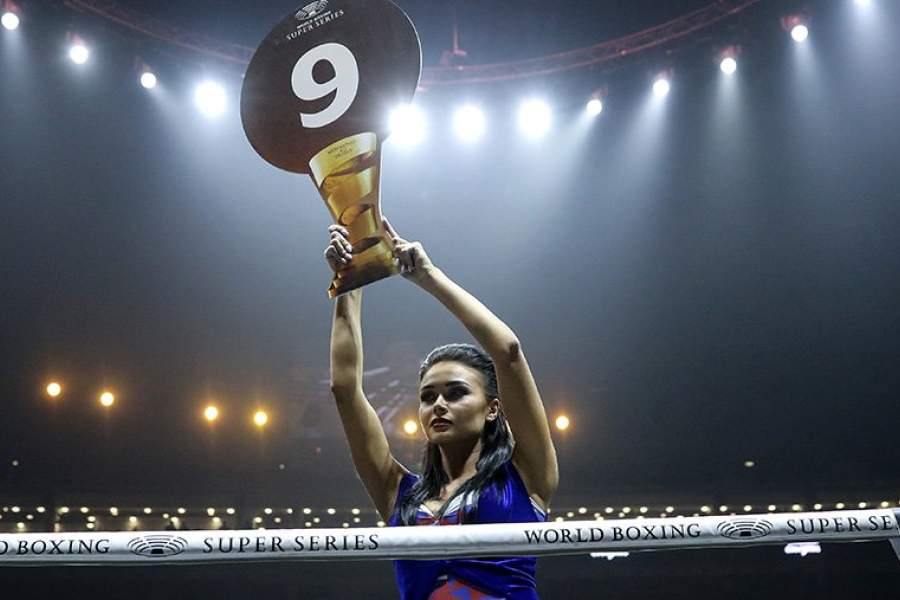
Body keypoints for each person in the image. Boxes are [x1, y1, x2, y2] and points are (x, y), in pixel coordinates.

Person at [326, 218, 559, 600]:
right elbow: (344, 390)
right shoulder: (397, 491)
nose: (438, 405)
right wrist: (351, 279)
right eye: (428, 396)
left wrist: (428, 276)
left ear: (492, 409)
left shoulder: (526, 475)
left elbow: (508, 352)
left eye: (455, 393)